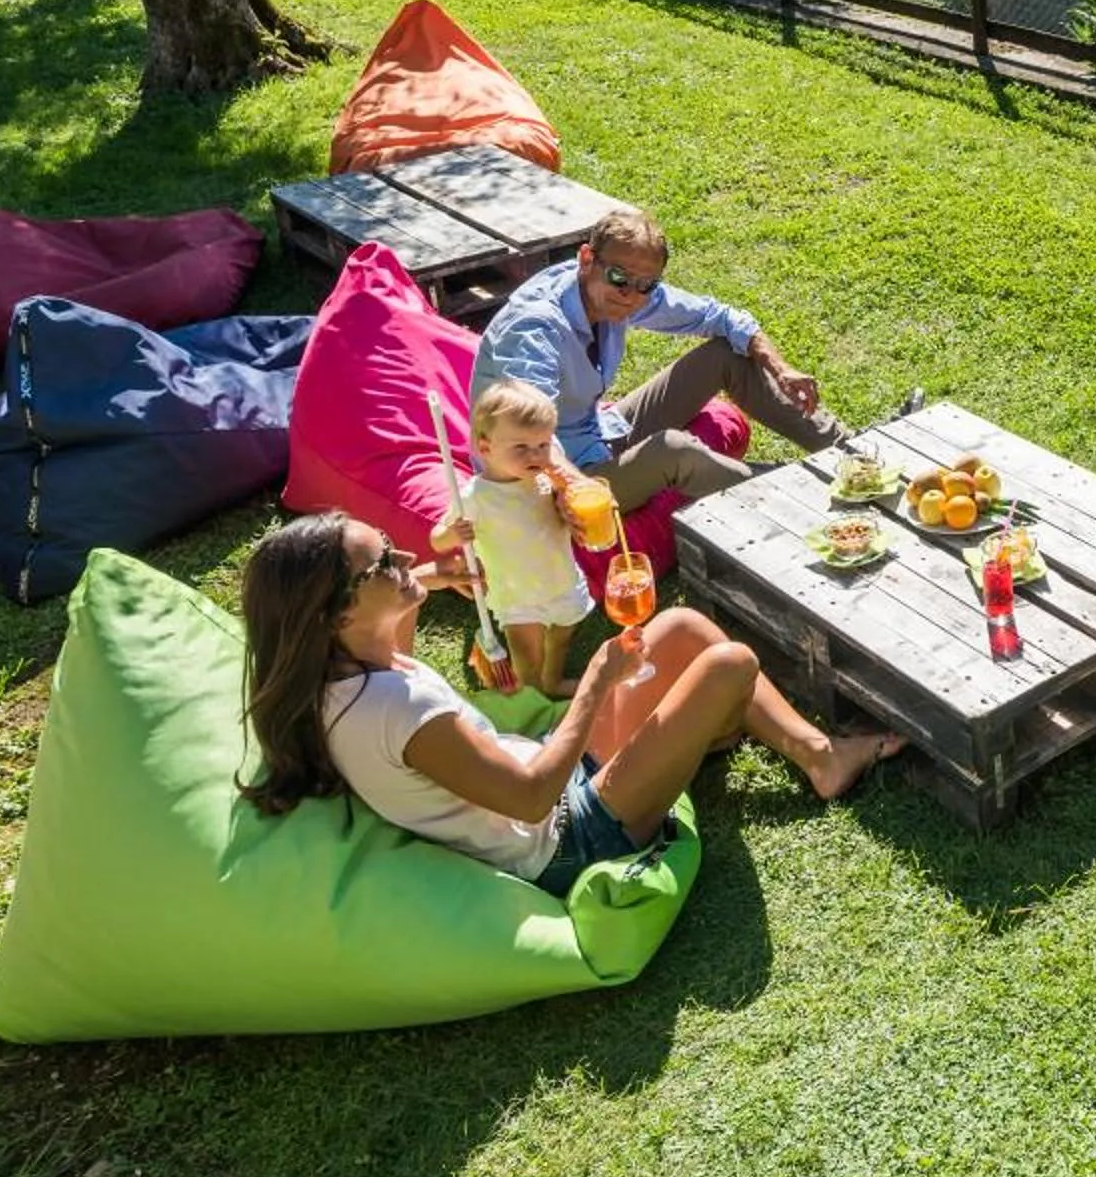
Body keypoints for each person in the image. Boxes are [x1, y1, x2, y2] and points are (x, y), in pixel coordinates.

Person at [240, 512, 897, 892]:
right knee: (729, 663)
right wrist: (596, 683)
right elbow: (528, 798)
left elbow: (399, 650)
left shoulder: (342, 671)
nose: (403, 554)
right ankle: (719, 729)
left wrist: (426, 581)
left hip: (562, 790)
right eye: (383, 563)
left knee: (682, 632)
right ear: (336, 612)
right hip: (572, 839)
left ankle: (820, 757)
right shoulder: (394, 713)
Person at [472, 207, 842, 512]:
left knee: (726, 352)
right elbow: (529, 439)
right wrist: (581, 493)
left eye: (646, 285)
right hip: (546, 484)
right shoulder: (534, 330)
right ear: (586, 259)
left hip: (596, 433)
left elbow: (721, 317)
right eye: (620, 277)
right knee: (671, 450)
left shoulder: (617, 291)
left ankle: (846, 449)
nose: (631, 295)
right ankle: (803, 492)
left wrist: (780, 367)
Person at [428, 379, 592, 698]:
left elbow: (565, 515)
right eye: (521, 447)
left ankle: (552, 681)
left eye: (544, 444)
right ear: (485, 447)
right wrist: (452, 533)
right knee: (527, 655)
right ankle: (531, 699)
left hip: (560, 580)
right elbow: (436, 540)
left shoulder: (547, 480)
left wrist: (570, 509)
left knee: (560, 637)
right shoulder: (476, 497)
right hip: (518, 595)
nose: (536, 454)